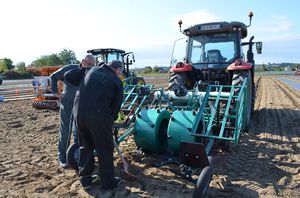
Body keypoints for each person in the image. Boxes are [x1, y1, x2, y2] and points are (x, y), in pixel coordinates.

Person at [64, 60, 123, 190]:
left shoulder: (89, 70)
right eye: (120, 72)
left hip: (79, 114)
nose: (120, 74)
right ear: (118, 69)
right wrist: (109, 121)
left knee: (85, 146)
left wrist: (82, 68)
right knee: (105, 149)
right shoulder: (115, 81)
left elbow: (67, 75)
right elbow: (115, 107)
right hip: (98, 116)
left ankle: (86, 180)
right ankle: (107, 182)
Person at [50, 55, 95, 168]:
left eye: (92, 65)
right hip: (67, 104)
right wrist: (56, 92)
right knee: (66, 130)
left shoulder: (90, 72)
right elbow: (53, 77)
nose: (90, 67)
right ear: (83, 61)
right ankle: (63, 157)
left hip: (80, 106)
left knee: (78, 132)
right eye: (89, 64)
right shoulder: (69, 69)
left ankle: (77, 156)